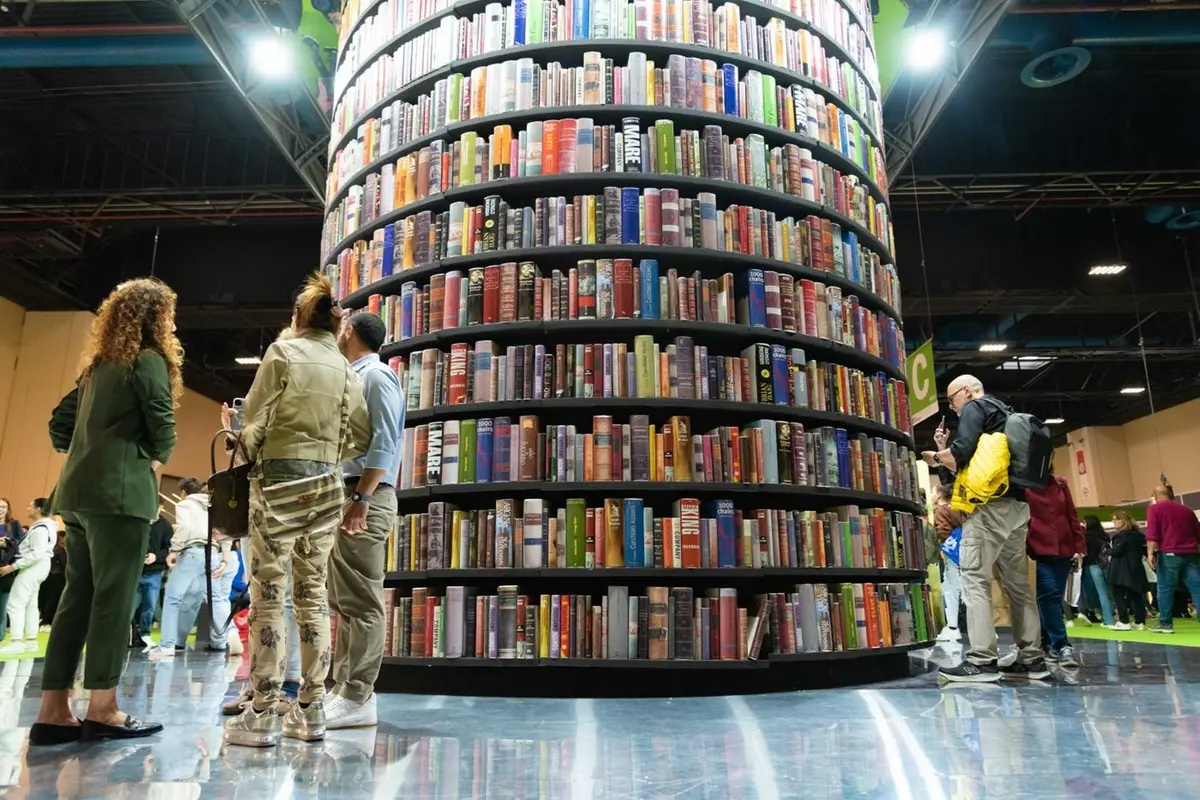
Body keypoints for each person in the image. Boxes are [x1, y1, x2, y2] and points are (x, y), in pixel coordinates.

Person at [30, 277, 180, 745]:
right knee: (115, 600)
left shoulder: (96, 368)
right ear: (160, 318)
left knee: (77, 599)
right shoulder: (149, 360)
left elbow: (59, 423)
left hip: (75, 494)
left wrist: (83, 450)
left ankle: (53, 712)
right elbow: (161, 418)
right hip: (121, 494)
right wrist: (155, 455)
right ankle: (104, 708)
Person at [222, 273, 369, 749]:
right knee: (313, 594)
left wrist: (246, 442)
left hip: (279, 483)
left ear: (298, 318)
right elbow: (360, 437)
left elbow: (256, 417)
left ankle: (262, 710)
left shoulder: (283, 353)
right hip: (326, 487)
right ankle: (311, 710)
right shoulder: (348, 369)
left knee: (270, 594)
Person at [921, 375, 1046, 683]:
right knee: (1018, 585)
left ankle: (982, 660)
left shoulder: (976, 407)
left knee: (975, 579)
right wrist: (945, 451)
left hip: (989, 509)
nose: (953, 408)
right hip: (1018, 508)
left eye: (952, 401)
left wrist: (935, 457)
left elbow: (961, 453)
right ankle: (1032, 658)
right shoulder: (1005, 413)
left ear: (966, 391)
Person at [327, 311, 404, 729]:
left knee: (362, 598)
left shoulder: (375, 375)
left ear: (349, 331)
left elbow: (385, 441)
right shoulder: (356, 374)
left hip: (365, 494)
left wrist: (362, 497)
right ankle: (342, 688)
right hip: (352, 492)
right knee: (346, 599)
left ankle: (358, 694)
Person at [149, 479, 228, 659]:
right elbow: (225, 533)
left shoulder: (185, 504)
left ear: (184, 493)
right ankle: (220, 642)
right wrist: (224, 560)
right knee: (215, 599)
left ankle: (167, 645)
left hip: (192, 553)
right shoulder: (215, 506)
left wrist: (174, 550)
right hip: (213, 554)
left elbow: (184, 528)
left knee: (172, 598)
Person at [1023, 469, 1085, 667]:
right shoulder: (1021, 483)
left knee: (1052, 598)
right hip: (1035, 549)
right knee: (1048, 594)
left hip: (1064, 549)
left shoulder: (1060, 483)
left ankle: (1046, 643)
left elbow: (1072, 515)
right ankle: (1062, 644)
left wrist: (1079, 546)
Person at [0, 499, 57, 654]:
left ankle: (16, 641)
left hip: (32, 568)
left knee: (15, 604)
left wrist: (12, 566)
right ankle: (31, 640)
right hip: (38, 568)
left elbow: (36, 553)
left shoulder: (41, 529)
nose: (27, 509)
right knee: (31, 603)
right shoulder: (46, 526)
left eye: (30, 506)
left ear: (39, 509)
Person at [1145, 484, 1200, 634]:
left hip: (1169, 554)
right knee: (1197, 589)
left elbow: (1152, 534)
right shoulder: (1187, 510)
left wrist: (1150, 554)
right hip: (1191, 554)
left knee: (1165, 590)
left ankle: (1165, 623)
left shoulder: (1154, 509)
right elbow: (1198, 533)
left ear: (1155, 496)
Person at [132, 506, 173, 647]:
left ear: (161, 507)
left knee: (149, 606)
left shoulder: (165, 526)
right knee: (130, 605)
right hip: (135, 571)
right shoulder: (138, 522)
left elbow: (169, 548)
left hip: (154, 572)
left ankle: (144, 634)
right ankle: (128, 635)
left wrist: (156, 557)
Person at [933, 483, 965, 643]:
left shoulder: (940, 510)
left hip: (951, 554)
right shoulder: (958, 508)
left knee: (951, 590)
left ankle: (952, 628)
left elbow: (942, 531)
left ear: (938, 494)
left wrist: (943, 549)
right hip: (965, 551)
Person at [1106, 510, 1148, 630]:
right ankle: (1140, 622)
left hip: (1120, 570)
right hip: (1136, 568)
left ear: (1123, 521)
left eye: (1116, 519)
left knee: (1118, 595)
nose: (1114, 522)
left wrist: (1108, 550)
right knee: (1136, 595)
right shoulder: (1139, 535)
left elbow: (1117, 552)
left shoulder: (1121, 536)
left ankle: (1124, 621)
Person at [1080, 515, 1115, 627]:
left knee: (1101, 593)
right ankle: (1114, 616)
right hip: (1107, 565)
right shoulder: (1104, 535)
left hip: (1093, 565)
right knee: (1110, 592)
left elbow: (1085, 553)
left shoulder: (1086, 537)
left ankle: (1108, 620)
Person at [0, 499, 25, 643]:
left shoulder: (13, 525)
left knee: (2, 605)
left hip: (5, 569)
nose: (1, 509)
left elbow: (20, 545)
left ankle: (0, 636)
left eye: (4, 507)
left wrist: (6, 543)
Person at [38, 528, 67, 627]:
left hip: (47, 576)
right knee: (54, 599)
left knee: (46, 598)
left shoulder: (49, 549)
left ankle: (44, 618)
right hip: (57, 577)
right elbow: (64, 564)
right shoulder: (60, 549)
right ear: (61, 538)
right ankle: (47, 621)